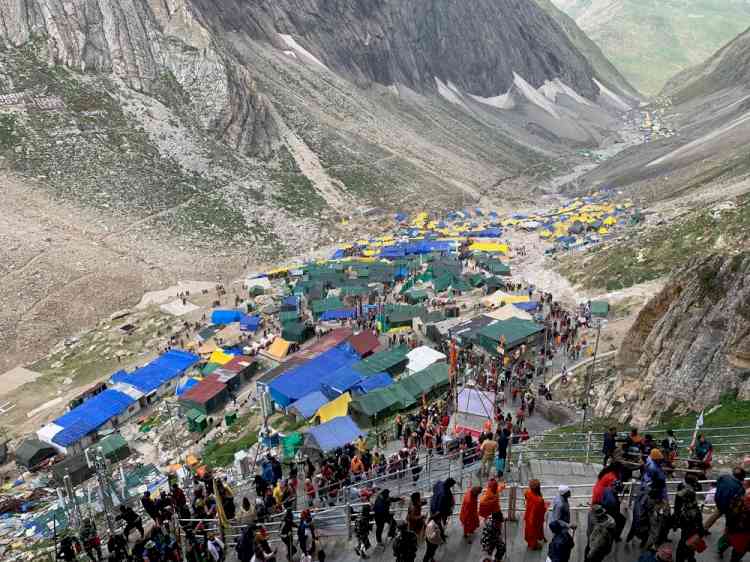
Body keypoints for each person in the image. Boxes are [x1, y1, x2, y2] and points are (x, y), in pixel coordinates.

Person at [672, 486, 706, 562]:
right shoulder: (690, 506)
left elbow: (684, 523)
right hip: (690, 535)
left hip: (688, 536)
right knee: (689, 553)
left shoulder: (690, 511)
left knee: (681, 554)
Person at [524, 479, 546, 550]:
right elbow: (542, 509)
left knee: (529, 531)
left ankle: (531, 542)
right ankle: (534, 545)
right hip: (536, 518)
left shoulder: (527, 493)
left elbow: (526, 496)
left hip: (528, 516)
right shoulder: (540, 500)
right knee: (534, 531)